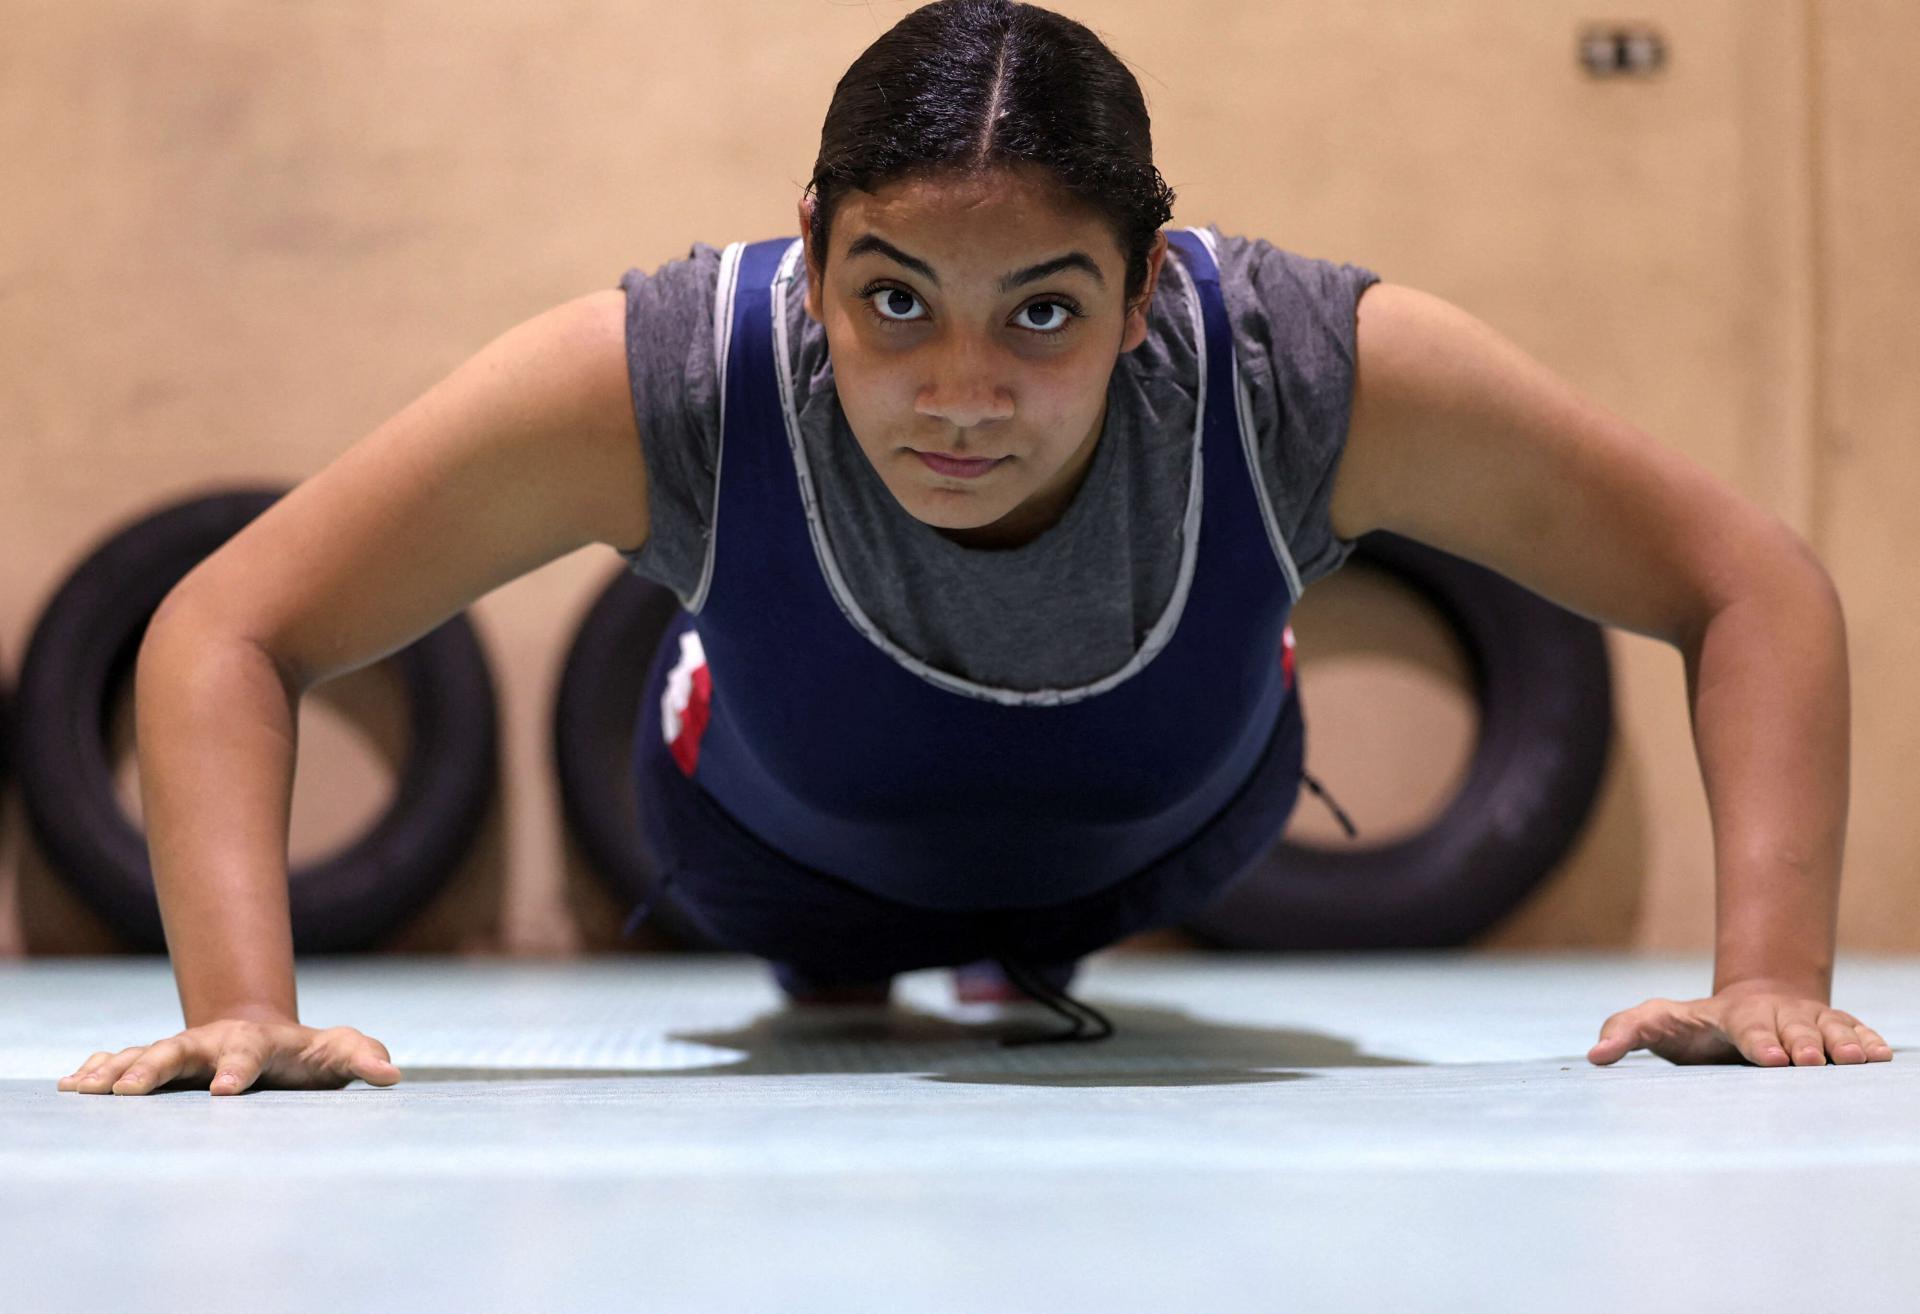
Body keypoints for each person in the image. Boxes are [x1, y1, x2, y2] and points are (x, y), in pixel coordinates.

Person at [60, 0, 1889, 1092]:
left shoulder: (1301, 365)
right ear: (812, 246)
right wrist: (247, 1012)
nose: (960, 389)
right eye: (894, 297)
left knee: (1074, 876)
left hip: (1177, 829)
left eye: (1041, 315)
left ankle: (1019, 941)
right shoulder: (680, 368)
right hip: (768, 857)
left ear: (1150, 285)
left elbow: (1749, 584)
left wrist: (1769, 980)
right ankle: (877, 965)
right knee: (839, 992)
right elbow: (228, 625)